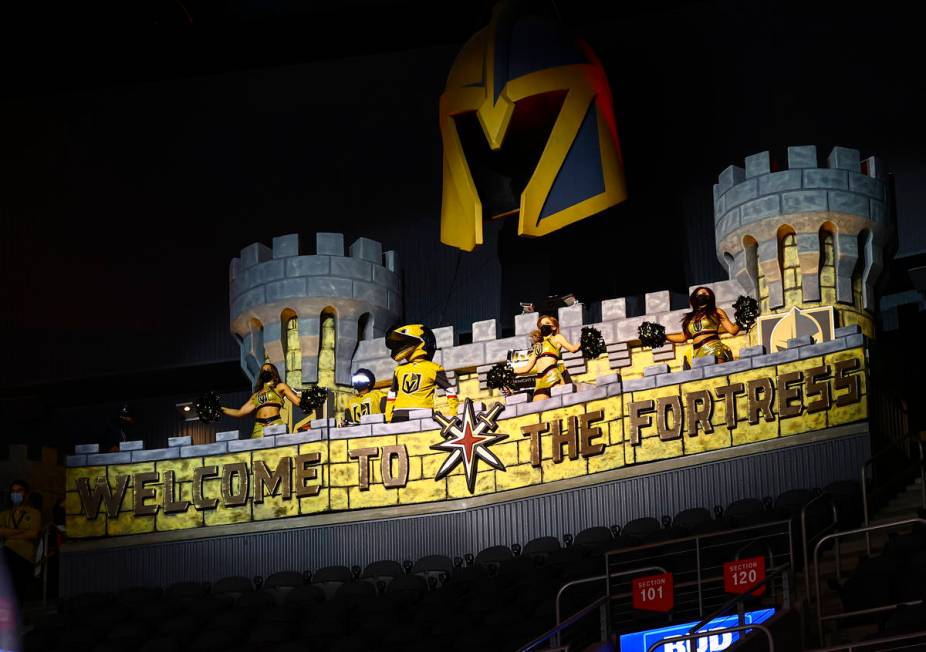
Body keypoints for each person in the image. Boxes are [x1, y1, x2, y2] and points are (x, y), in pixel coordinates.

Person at [384, 324, 459, 422]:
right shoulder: (399, 369)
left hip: (415, 413)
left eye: (405, 342)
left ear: (422, 341)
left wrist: (388, 417)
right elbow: (450, 390)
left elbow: (392, 394)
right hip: (406, 414)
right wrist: (453, 414)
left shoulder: (434, 368)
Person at [221, 362, 303, 437]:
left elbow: (297, 401)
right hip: (258, 427)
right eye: (263, 370)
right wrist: (221, 409)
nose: (265, 371)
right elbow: (240, 412)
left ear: (273, 373)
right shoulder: (256, 395)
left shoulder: (280, 387)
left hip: (275, 423)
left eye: (268, 369)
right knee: (257, 452)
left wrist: (309, 400)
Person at [514, 315, 581, 402]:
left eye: (547, 323)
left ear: (553, 327)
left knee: (562, 403)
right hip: (540, 380)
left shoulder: (557, 338)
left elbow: (573, 349)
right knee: (537, 409)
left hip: (553, 375)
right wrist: (509, 371)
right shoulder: (537, 345)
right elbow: (526, 368)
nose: (544, 326)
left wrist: (583, 340)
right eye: (541, 325)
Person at [665, 286, 740, 362]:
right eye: (699, 294)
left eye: (705, 293)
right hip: (697, 353)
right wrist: (664, 336)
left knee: (717, 372)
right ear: (695, 297)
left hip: (714, 349)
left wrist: (742, 318)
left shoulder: (716, 311)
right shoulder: (690, 317)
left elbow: (732, 330)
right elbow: (682, 337)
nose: (702, 295)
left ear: (710, 297)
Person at [0, 480, 41, 608]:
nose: (15, 494)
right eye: (13, 491)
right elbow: (1, 531)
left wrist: (10, 533)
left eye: (19, 491)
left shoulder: (34, 513)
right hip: (7, 552)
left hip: (25, 556)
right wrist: (23, 531)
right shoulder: (4, 514)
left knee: (18, 585)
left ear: (26, 494)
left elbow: (34, 534)